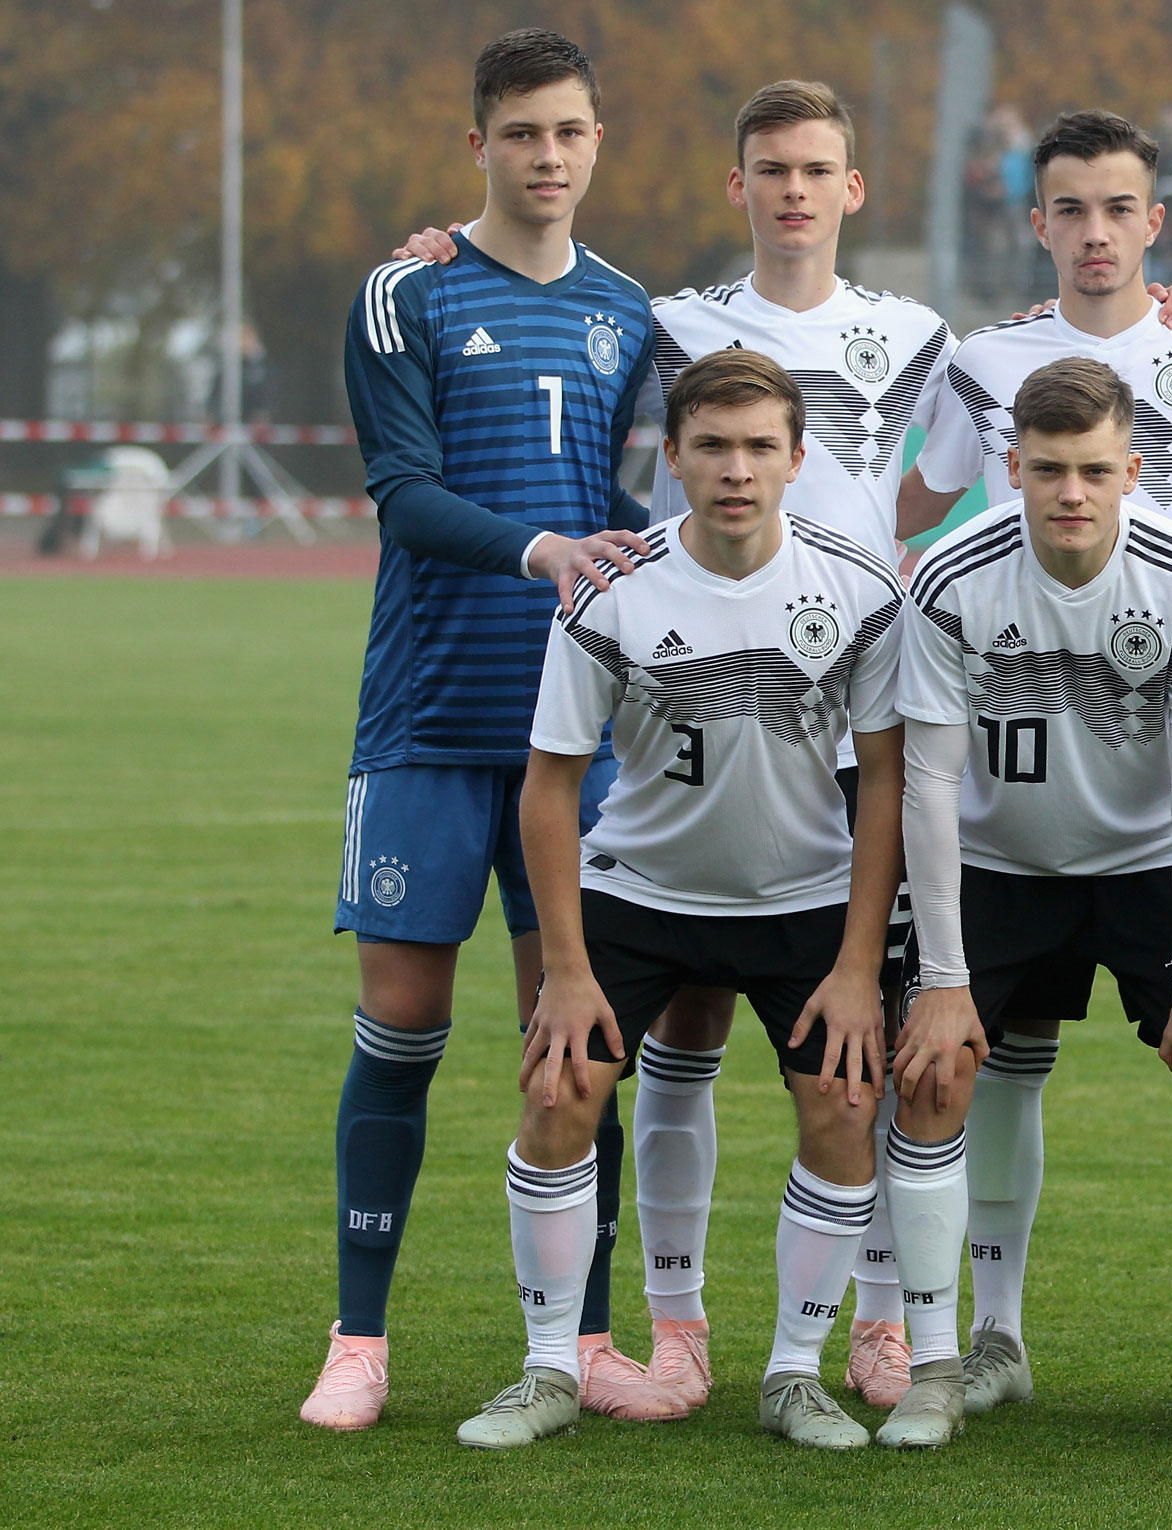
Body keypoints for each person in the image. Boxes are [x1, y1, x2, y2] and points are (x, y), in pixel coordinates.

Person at [387, 80, 969, 1415]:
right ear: (740, 185)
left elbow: (1031, 397)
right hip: (666, 771)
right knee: (644, 1061)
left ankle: (829, 1350)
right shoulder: (668, 323)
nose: (795, 191)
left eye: (819, 169)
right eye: (772, 169)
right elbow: (539, 289)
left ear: (852, 186)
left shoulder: (919, 334)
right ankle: (642, 1335)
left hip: (826, 731)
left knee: (846, 1076)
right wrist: (443, 257)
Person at [899, 109, 1172, 1421]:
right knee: (980, 1057)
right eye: (1067, 209)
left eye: (1114, 208)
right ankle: (979, 1339)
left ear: (1153, 220)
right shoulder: (984, 361)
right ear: (1038, 222)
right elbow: (909, 500)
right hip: (1010, 792)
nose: (1092, 232)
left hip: (1165, 781)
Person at [306, 28, 673, 1433]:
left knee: (572, 1037)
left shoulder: (633, 312)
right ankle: (359, 1339)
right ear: (479, 146)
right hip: (427, 719)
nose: (547, 155)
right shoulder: (405, 292)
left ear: (598, 142)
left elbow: (673, 483)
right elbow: (401, 491)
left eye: (570, 131)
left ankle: (581, 1341)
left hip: (575, 735)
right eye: (521, 132)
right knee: (402, 1023)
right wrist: (543, 551)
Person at [459, 348, 907, 1450]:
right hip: (643, 890)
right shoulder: (613, 589)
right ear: (673, 457)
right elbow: (551, 784)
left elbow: (890, 779)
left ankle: (793, 1373)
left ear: (798, 459)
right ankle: (550, 1368)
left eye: (760, 446)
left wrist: (858, 968)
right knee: (560, 1094)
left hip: (802, 897)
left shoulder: (857, 587)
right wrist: (564, 970)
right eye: (711, 445)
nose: (736, 469)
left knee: (846, 1109)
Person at [885, 357, 1172, 1451]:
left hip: (1151, 860)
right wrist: (945, 982)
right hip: (999, 860)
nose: (1069, 492)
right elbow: (932, 781)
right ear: (1008, 466)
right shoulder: (952, 579)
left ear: (1131, 469)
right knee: (934, 1075)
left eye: (1094, 470)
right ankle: (947, 1363)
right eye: (1046, 469)